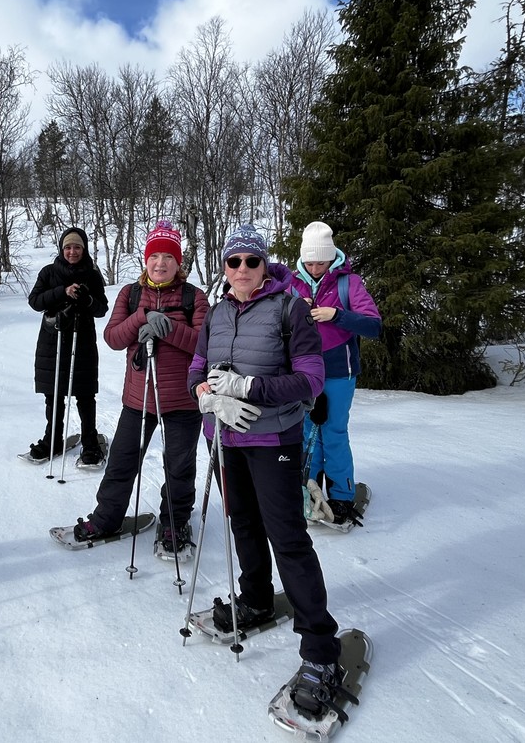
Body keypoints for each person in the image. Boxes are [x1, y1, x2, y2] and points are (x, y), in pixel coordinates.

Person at [188, 224, 343, 717]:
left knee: (288, 538)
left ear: (264, 263)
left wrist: (248, 389)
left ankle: (320, 650)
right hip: (226, 438)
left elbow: (311, 380)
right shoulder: (215, 313)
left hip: (274, 438)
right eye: (232, 262)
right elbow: (196, 367)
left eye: (250, 262)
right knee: (243, 524)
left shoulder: (289, 308)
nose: (240, 271)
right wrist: (207, 396)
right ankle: (255, 598)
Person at [73, 220, 209, 554]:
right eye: (154, 256)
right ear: (145, 260)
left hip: (183, 402)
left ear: (179, 263)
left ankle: (175, 525)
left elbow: (207, 346)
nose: (160, 263)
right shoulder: (131, 294)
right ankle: (106, 518)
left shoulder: (194, 297)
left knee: (179, 468)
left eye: (168, 257)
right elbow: (113, 338)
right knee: (121, 462)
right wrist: (142, 318)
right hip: (139, 399)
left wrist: (168, 330)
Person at [290, 221, 381, 528]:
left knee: (334, 433)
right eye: (310, 262)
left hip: (339, 372)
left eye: (321, 262)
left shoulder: (348, 283)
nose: (315, 268)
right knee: (305, 434)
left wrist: (337, 315)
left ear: (332, 258)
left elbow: (373, 326)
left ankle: (341, 496)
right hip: (302, 371)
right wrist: (293, 310)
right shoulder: (292, 284)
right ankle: (309, 491)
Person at [27, 227, 109, 466]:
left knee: (84, 395)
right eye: (68, 247)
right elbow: (34, 301)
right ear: (62, 249)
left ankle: (90, 442)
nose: (72, 252)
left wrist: (87, 299)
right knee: (53, 395)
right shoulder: (49, 272)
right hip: (52, 341)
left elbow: (101, 309)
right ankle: (52, 438)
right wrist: (61, 291)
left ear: (83, 249)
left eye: (77, 247)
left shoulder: (92, 275)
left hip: (81, 342)